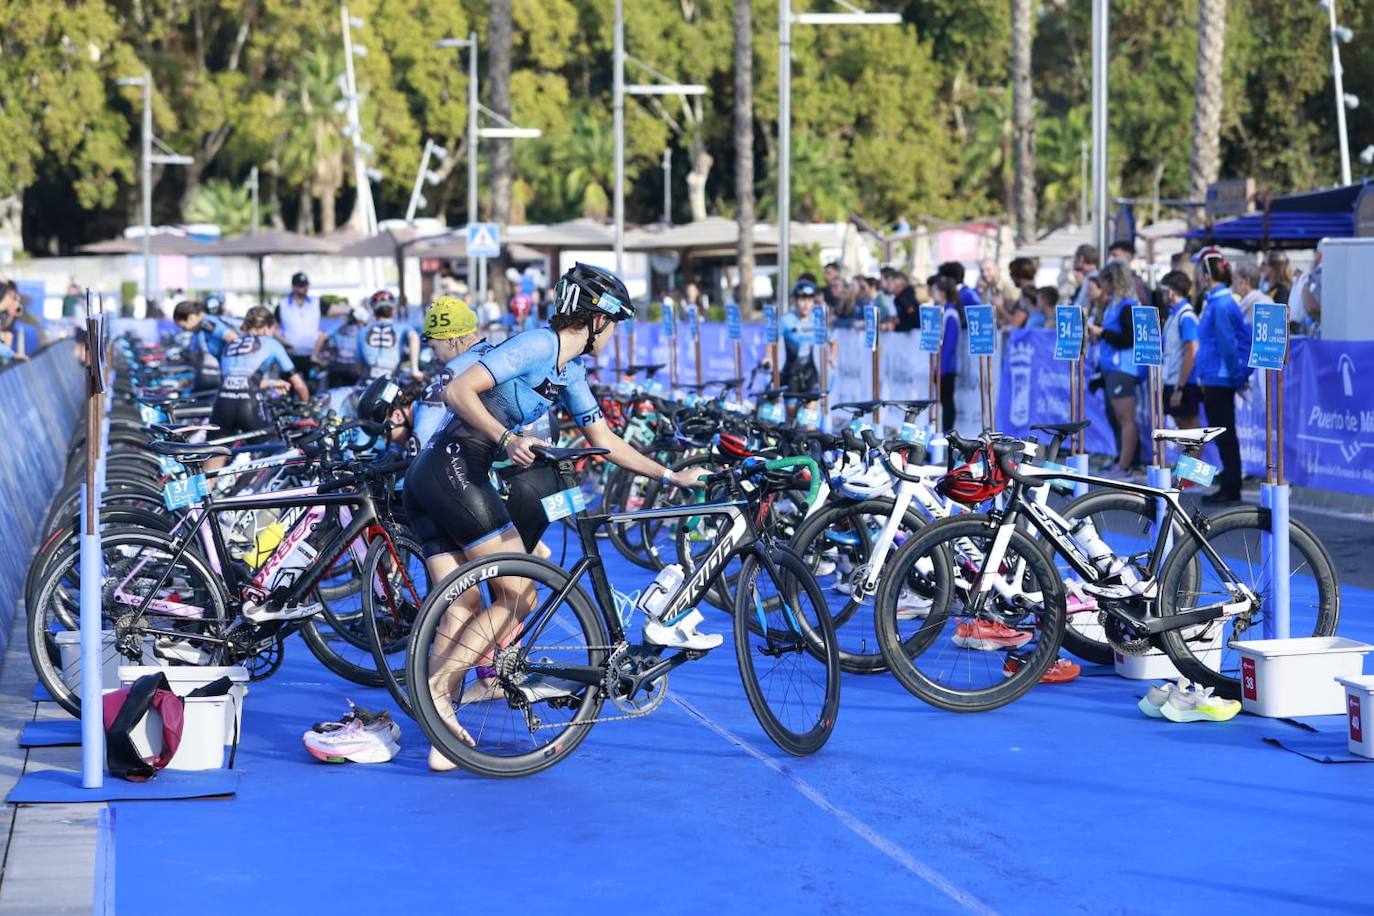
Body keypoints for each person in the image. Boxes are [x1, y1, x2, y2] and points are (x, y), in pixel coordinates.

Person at [407, 264, 707, 769]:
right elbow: (457, 392)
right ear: (596, 320)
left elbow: (605, 443)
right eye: (615, 324)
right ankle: (438, 693)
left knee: (461, 608)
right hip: (454, 468)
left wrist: (671, 477)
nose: (614, 335)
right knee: (519, 593)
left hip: (440, 474)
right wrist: (508, 438)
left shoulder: (569, 371)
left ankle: (440, 735)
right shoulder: (538, 345)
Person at [207, 306, 309, 471]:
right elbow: (298, 384)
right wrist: (307, 407)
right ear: (267, 327)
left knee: (215, 459)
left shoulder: (231, 344)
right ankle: (252, 490)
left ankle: (206, 492)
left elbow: (238, 379)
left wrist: (271, 383)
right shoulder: (271, 343)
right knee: (270, 460)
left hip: (222, 404)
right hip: (250, 405)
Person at [1194, 248, 1252, 504]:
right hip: (1214, 376)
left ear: (1207, 275)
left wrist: (1238, 378)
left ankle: (1231, 486)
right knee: (1223, 433)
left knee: (1225, 433)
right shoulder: (1216, 302)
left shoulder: (1220, 304)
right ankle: (1230, 481)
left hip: (1221, 377)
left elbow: (1228, 345)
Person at [409, 296, 491, 454]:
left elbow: (426, 440)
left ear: (450, 340)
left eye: (433, 347)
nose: (435, 356)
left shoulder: (453, 371)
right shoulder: (495, 351)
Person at [1085, 263, 1143, 478]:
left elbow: (1129, 338)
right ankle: (1122, 460)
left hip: (1124, 368)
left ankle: (1125, 466)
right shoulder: (1114, 304)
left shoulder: (1126, 306)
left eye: (1104, 282)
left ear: (1113, 281)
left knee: (1125, 417)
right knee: (1116, 417)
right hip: (1112, 367)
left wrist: (1102, 332)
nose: (1101, 286)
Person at [1159, 270, 1201, 430]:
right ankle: (1186, 456)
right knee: (1181, 425)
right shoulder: (1174, 315)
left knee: (1189, 428)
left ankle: (1192, 457)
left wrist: (1181, 387)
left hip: (1184, 382)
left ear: (1169, 292)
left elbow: (1191, 351)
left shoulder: (1186, 316)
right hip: (1173, 379)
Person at [780, 279, 830, 413]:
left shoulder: (818, 320)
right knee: (790, 417)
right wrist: (768, 357)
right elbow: (771, 343)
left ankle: (809, 432)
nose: (805, 304)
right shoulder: (786, 320)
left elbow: (832, 340)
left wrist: (832, 356)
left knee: (810, 415)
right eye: (802, 299)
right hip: (791, 373)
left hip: (811, 372)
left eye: (809, 300)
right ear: (795, 301)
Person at [173, 299, 239, 389]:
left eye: (183, 326)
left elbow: (234, 339)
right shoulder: (198, 331)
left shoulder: (207, 323)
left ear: (191, 318)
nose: (184, 330)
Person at [358, 290, 421, 382]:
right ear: (393, 311)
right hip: (392, 380)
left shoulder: (363, 331)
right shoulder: (403, 328)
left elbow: (360, 364)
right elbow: (414, 336)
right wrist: (414, 369)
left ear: (374, 312)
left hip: (368, 381)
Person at [931, 274, 961, 432]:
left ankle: (948, 433)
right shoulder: (945, 312)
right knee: (944, 401)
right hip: (943, 366)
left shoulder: (950, 314)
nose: (932, 294)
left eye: (935, 290)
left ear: (942, 292)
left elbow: (949, 345)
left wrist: (940, 371)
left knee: (947, 402)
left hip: (947, 367)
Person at [316, 302, 369, 389]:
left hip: (336, 368)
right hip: (355, 370)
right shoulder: (363, 331)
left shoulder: (339, 326)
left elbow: (322, 338)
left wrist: (315, 355)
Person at [1070, 244, 1101, 311]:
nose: (1073, 262)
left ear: (1081, 259)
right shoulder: (1088, 278)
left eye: (1075, 259)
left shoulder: (1092, 279)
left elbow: (1080, 305)